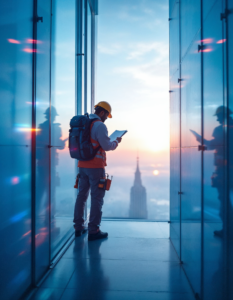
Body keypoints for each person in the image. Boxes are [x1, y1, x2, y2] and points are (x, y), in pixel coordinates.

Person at [73, 101, 122, 241]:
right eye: (106, 115)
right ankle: (93, 230)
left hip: (82, 165)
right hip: (95, 167)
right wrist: (116, 142)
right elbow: (106, 146)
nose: (106, 118)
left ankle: (78, 227)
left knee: (81, 196)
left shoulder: (85, 123)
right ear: (102, 112)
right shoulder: (100, 125)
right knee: (97, 198)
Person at [193, 106, 233, 237]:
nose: (217, 119)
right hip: (228, 170)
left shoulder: (221, 129)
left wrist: (200, 140)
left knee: (224, 200)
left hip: (225, 171)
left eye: (218, 116)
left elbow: (212, 145)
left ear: (222, 116)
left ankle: (228, 230)